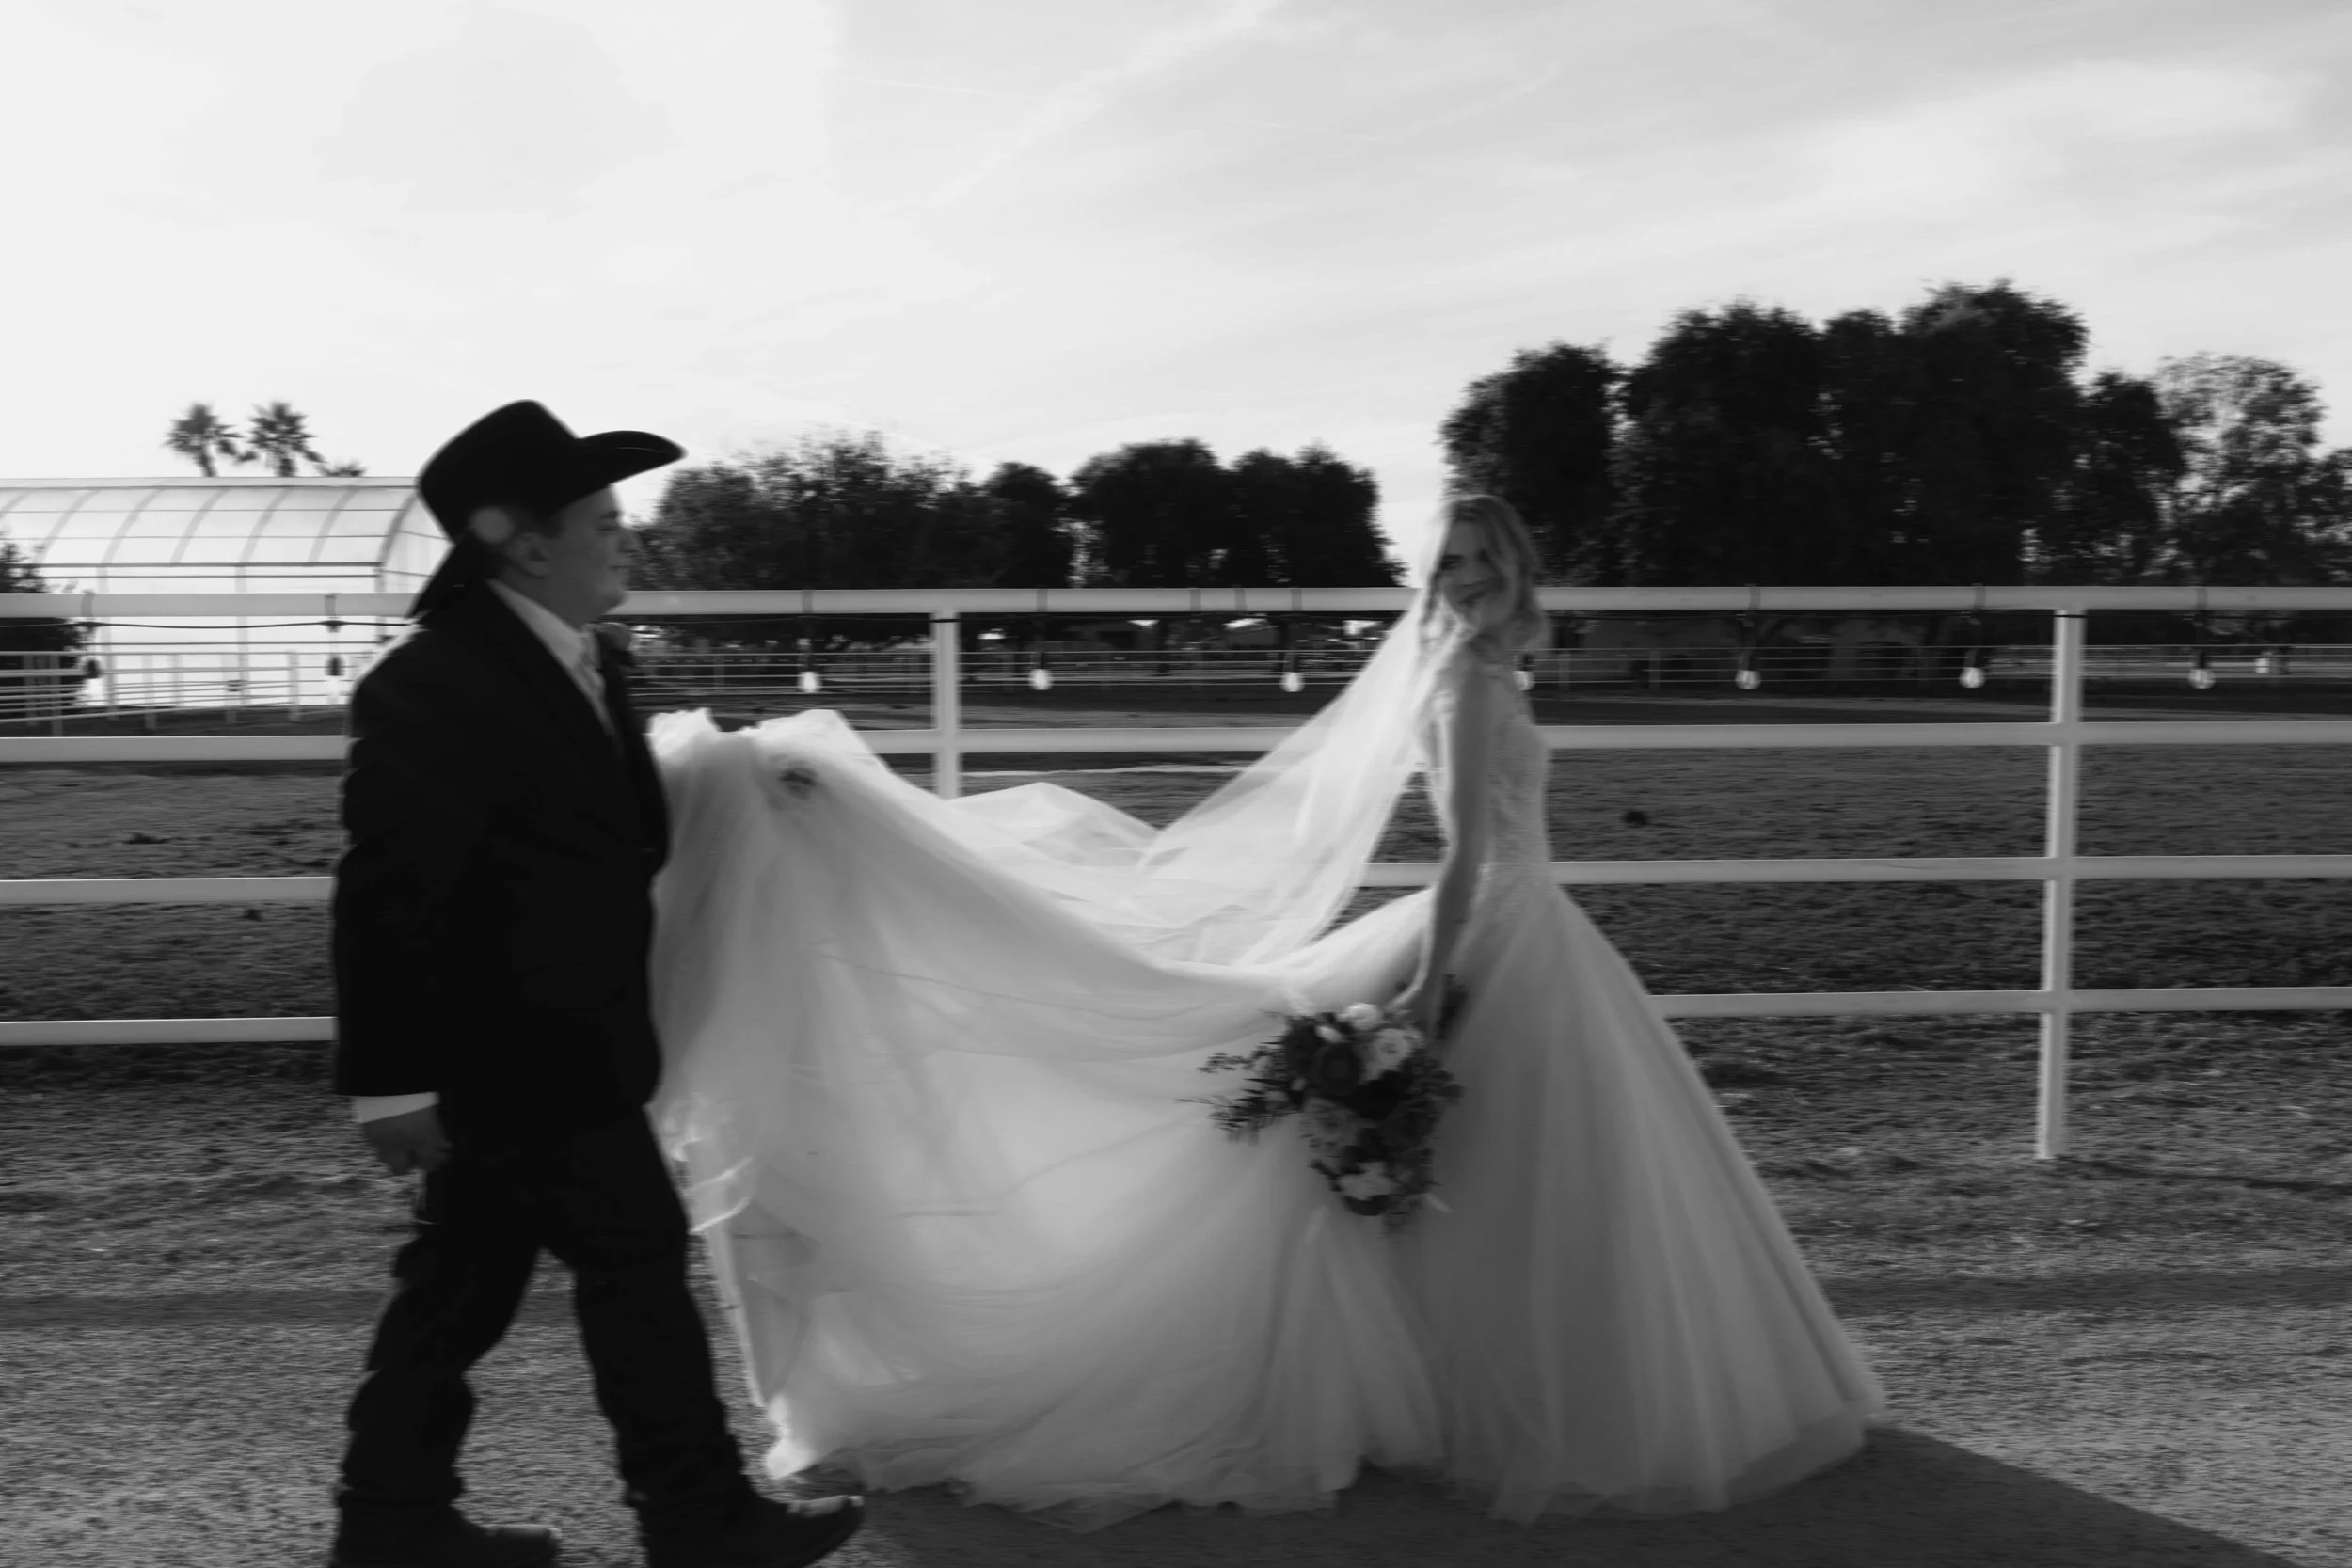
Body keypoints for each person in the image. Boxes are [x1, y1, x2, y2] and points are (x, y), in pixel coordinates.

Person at [644, 492, 1883, 1530]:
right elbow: (1458, 857)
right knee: (1523, 1161)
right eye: (1445, 561)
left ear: (1517, 569)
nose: (1461, 579)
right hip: (1499, 931)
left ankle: (1510, 1380)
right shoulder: (1462, 686)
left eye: (1480, 557)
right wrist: (1431, 984)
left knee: (1531, 1167)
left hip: (1537, 928)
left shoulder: (1495, 670)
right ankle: (1525, 1392)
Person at [327, 402, 864, 1568]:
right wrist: (387, 1082)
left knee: (459, 1288)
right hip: (511, 1056)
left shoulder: (582, 658)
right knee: (631, 1259)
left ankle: (390, 1520)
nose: (628, 539)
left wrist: (758, 788)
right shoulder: (436, 680)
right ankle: (696, 1516)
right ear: (526, 542)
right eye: (605, 521)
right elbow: (387, 892)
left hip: (572, 1042)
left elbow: (619, 831)